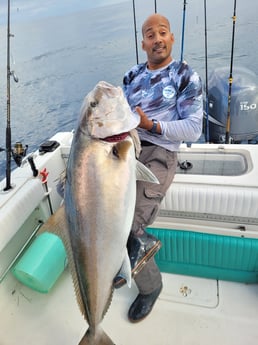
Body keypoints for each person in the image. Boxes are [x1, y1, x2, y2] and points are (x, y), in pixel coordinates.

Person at [114, 13, 203, 323]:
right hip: (127, 148)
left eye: (162, 32)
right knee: (106, 211)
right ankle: (122, 263)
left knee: (131, 224)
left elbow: (193, 129)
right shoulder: (130, 76)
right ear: (143, 43)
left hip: (161, 153)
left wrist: (152, 124)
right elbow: (118, 114)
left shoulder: (184, 75)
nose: (157, 39)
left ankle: (150, 286)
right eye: (150, 35)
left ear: (171, 38)